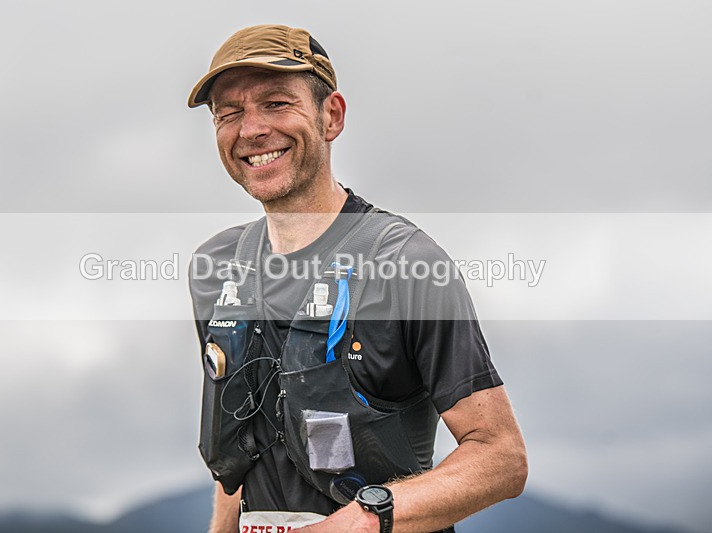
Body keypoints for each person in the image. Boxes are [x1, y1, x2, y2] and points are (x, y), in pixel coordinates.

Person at [187, 25, 527, 533]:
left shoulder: (406, 263)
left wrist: (363, 522)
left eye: (276, 103)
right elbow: (243, 441)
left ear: (332, 116)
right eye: (229, 113)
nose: (250, 129)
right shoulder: (216, 268)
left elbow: (501, 458)